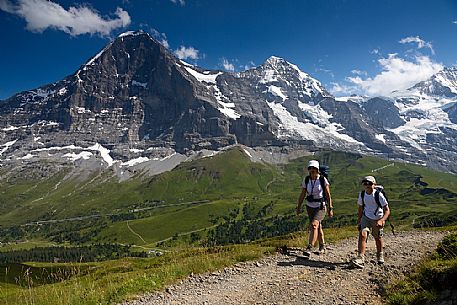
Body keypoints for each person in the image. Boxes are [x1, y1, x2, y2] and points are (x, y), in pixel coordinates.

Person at [296, 160, 333, 256]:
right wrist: (298, 207)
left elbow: (328, 195)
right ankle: (322, 246)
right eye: (310, 168)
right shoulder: (306, 180)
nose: (312, 170)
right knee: (318, 226)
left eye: (314, 168)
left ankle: (310, 247)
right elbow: (302, 194)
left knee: (314, 225)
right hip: (310, 206)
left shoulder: (322, 180)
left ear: (318, 170)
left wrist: (330, 208)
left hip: (320, 206)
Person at [352, 176, 390, 268]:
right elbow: (360, 208)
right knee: (363, 234)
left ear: (374, 185)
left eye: (370, 183)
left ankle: (380, 254)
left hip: (377, 218)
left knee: (377, 237)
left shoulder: (378, 195)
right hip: (366, 217)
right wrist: (360, 219)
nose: (367, 185)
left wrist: (382, 220)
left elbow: (387, 210)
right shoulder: (362, 194)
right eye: (365, 183)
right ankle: (360, 257)